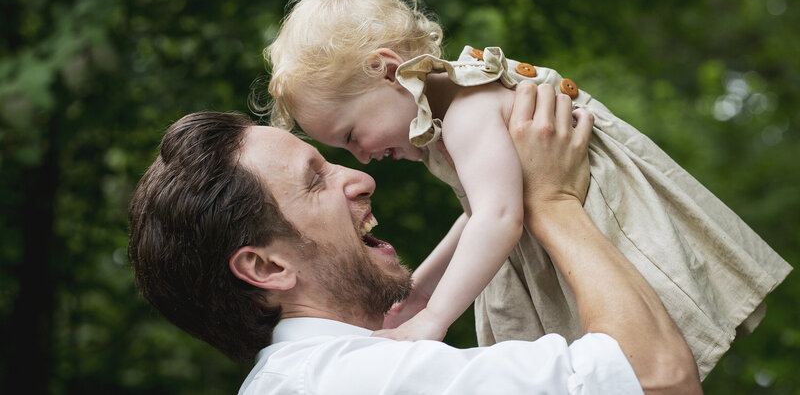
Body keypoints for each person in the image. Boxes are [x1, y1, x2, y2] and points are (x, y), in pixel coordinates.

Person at [263, 0, 792, 379]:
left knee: (635, 360)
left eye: (352, 134)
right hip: (573, 229)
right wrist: (418, 290)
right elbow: (479, 213)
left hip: (612, 230)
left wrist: (433, 319)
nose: (360, 156)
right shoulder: (451, 120)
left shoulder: (469, 112)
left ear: (387, 69)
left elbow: (499, 217)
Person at [128, 82, 701, 394]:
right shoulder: (355, 382)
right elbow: (656, 378)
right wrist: (552, 201)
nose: (362, 177)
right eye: (316, 180)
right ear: (267, 267)